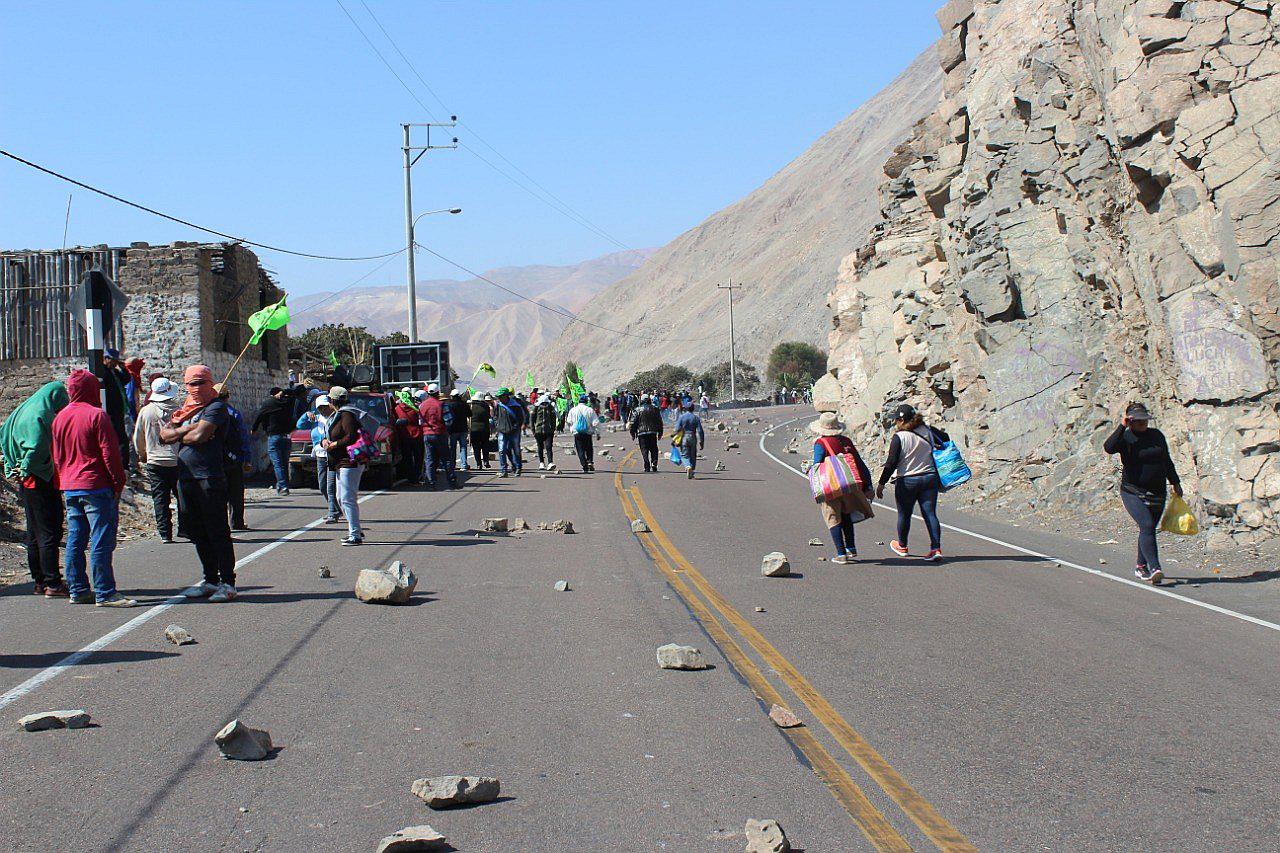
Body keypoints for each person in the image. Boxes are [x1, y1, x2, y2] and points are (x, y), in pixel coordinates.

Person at [51, 369, 135, 607]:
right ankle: (105, 592)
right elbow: (110, 454)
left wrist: (63, 480)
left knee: (75, 539)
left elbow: (57, 456)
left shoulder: (59, 417)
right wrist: (118, 481)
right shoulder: (97, 415)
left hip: (70, 485)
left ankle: (77, 589)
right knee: (101, 539)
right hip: (95, 485)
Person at [161, 366, 238, 602]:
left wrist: (182, 433)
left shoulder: (216, 407)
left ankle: (228, 582)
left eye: (200, 383)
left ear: (210, 383)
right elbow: (163, 435)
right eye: (191, 384)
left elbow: (200, 436)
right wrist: (190, 427)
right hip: (186, 478)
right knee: (198, 532)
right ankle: (210, 580)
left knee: (217, 531)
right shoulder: (184, 410)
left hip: (209, 477)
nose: (195, 389)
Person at [0, 380, 70, 596]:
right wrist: (28, 465)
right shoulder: (40, 415)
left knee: (34, 531)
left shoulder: (24, 409)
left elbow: (4, 433)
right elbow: (37, 446)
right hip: (40, 477)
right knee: (49, 530)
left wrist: (15, 465)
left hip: (28, 479)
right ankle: (53, 583)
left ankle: (39, 580)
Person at [1104, 401, 1182, 584]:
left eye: (1144, 421)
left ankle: (1141, 567)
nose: (1142, 425)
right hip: (1132, 491)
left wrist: (1175, 482)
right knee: (1146, 526)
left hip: (1158, 492)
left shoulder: (1156, 436)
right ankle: (1155, 567)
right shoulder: (1125, 438)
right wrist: (1122, 426)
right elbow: (1109, 447)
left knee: (1147, 530)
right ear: (1130, 422)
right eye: (1138, 422)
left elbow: (1167, 460)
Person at [875, 403, 947, 561]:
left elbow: (891, 463)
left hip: (907, 480)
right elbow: (945, 438)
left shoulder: (899, 437)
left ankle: (902, 546)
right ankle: (936, 549)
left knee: (904, 514)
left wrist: (881, 483)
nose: (895, 423)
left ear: (901, 420)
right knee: (930, 513)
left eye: (896, 420)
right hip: (929, 478)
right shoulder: (927, 430)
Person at [810, 412, 874, 564]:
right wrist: (867, 485)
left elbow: (817, 464)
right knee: (846, 514)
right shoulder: (846, 441)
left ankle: (841, 554)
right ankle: (851, 548)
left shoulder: (821, 443)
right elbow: (858, 462)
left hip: (831, 486)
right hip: (849, 484)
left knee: (832, 517)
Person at [133, 376, 184, 542]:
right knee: (182, 496)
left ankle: (164, 533)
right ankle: (184, 529)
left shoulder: (146, 411)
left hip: (155, 461)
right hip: (177, 460)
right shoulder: (179, 411)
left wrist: (143, 454)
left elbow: (138, 438)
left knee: (160, 499)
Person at [323, 386, 365, 545]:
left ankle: (355, 535)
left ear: (333, 400)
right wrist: (325, 441)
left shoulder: (347, 415)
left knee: (347, 498)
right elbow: (329, 434)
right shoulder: (337, 415)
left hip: (350, 461)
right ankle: (355, 528)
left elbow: (351, 437)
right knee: (341, 498)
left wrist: (334, 444)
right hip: (340, 462)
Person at [298, 395, 342, 522]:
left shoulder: (336, 417)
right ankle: (336, 508)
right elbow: (300, 425)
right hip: (320, 455)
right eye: (320, 408)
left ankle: (333, 513)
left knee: (331, 486)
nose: (323, 410)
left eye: (325, 407)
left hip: (333, 455)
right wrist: (306, 415)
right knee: (322, 485)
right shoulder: (316, 418)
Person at [217, 384, 252, 531]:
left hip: (216, 459)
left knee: (218, 494)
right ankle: (237, 522)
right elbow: (244, 437)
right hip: (234, 459)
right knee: (236, 493)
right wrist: (247, 459)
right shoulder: (234, 414)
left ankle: (220, 524)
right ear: (228, 396)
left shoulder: (207, 413)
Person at [252, 387, 295, 495]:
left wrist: (254, 429)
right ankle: (282, 485)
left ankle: (283, 486)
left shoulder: (269, 403)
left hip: (274, 436)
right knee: (284, 463)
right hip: (287, 436)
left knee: (277, 463)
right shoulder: (289, 403)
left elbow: (259, 416)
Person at [418, 382, 454, 489]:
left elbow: (420, 422)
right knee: (446, 459)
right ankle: (451, 481)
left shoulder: (422, 405)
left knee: (430, 459)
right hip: (439, 434)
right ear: (438, 393)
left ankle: (431, 483)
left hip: (427, 435)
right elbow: (449, 421)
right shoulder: (442, 405)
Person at [393, 388, 423, 484]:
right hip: (417, 435)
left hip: (404, 436)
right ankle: (417, 476)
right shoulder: (415, 408)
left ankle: (409, 476)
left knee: (407, 457)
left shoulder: (397, 409)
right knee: (418, 457)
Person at [628, 394, 664, 472]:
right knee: (654, 448)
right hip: (653, 432)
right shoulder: (655, 408)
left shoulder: (637, 410)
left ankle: (646, 464)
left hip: (641, 433)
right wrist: (660, 432)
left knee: (644, 449)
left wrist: (632, 433)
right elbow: (659, 421)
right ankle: (654, 463)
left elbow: (633, 422)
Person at [493, 388, 524, 477]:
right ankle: (504, 470)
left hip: (514, 431)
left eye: (501, 397)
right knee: (502, 450)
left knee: (516, 449)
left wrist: (515, 427)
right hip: (502, 431)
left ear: (506, 396)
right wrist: (497, 425)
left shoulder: (516, 406)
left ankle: (518, 467)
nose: (499, 399)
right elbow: (495, 417)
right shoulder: (498, 406)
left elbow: (520, 418)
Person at [565, 394, 600, 473]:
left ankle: (584, 466)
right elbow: (595, 422)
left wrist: (571, 429)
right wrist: (598, 433)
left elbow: (569, 421)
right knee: (589, 448)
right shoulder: (590, 410)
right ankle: (590, 461)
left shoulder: (573, 410)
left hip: (577, 433)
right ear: (586, 401)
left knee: (580, 450)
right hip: (588, 433)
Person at [674, 401, 706, 478]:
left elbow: (677, 429)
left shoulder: (682, 417)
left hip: (684, 437)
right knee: (693, 455)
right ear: (693, 408)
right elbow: (700, 431)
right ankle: (692, 468)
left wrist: (676, 439)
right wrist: (701, 442)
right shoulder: (695, 418)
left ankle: (688, 466)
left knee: (684, 455)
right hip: (692, 436)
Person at [446, 389, 471, 475]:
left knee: (452, 448)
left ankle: (452, 465)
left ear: (452, 396)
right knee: (463, 447)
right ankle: (464, 465)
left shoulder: (449, 405)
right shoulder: (464, 404)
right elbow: (470, 414)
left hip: (453, 429)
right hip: (463, 428)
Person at [530, 395, 558, 468]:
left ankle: (550, 462)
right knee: (540, 447)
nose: (544, 405)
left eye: (546, 403)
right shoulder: (536, 408)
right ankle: (541, 462)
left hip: (548, 431)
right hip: (538, 431)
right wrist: (533, 430)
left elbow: (553, 419)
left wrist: (553, 429)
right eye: (543, 403)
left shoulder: (550, 408)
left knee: (549, 446)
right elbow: (532, 419)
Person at [470, 392, 493, 469]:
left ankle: (478, 464)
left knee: (476, 448)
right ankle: (486, 461)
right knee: (485, 446)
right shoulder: (486, 406)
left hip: (474, 429)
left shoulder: (471, 406)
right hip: (485, 428)